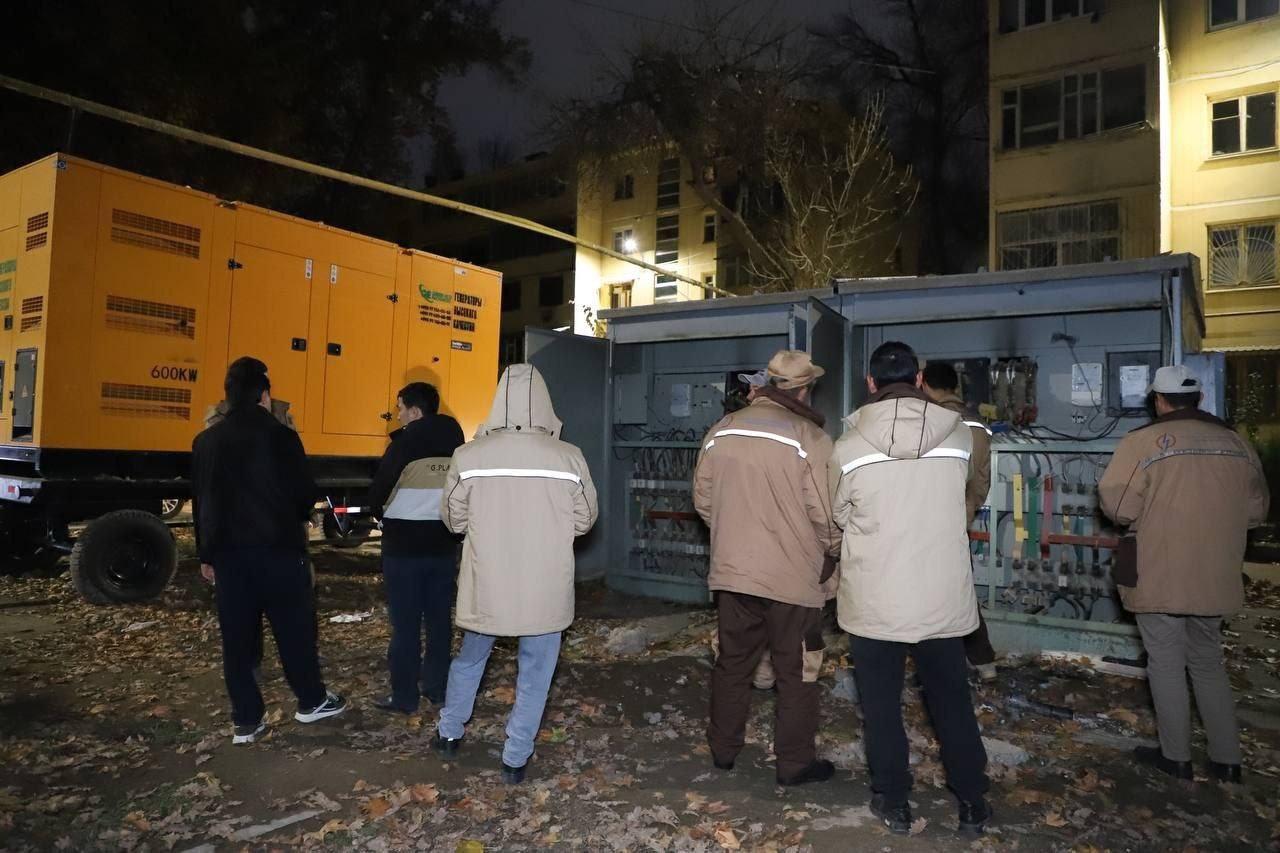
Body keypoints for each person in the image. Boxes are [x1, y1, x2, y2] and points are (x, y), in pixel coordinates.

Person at [830, 341, 991, 836]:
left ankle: (894, 802)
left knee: (881, 707)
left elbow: (839, 516)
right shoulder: (959, 437)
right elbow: (965, 493)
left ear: (871, 385)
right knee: (951, 702)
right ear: (919, 380)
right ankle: (971, 803)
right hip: (941, 596)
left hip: (876, 597)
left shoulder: (848, 448)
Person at [1098, 364, 1269, 783]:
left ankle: (1176, 757)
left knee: (1166, 662)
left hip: (1159, 570)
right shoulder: (1237, 445)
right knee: (1208, 662)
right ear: (1200, 399)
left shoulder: (1143, 442)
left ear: (1158, 400)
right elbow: (1256, 511)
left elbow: (1119, 508)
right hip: (1215, 572)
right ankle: (1227, 760)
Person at [433, 365, 597, 784]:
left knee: (470, 659)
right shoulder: (568, 457)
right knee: (536, 672)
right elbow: (585, 520)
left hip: (489, 581)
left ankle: (449, 732)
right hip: (545, 585)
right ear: (544, 402)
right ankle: (515, 758)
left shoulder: (469, 456)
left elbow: (453, 519)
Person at [694, 350, 841, 787]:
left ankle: (723, 752)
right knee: (797, 672)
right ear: (804, 388)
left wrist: (734, 536)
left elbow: (703, 499)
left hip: (734, 572)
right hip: (793, 580)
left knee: (732, 664)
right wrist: (831, 554)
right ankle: (794, 765)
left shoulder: (723, 429)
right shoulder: (810, 438)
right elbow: (827, 514)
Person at [192, 357, 346, 744]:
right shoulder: (280, 436)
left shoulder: (206, 442)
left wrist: (206, 554)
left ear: (227, 398)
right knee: (293, 631)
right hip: (278, 549)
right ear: (264, 395)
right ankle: (310, 700)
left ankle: (246, 720)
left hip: (229, 556)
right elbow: (303, 492)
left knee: (237, 639)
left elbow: (203, 501)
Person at [366, 381, 465, 713]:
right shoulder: (456, 445)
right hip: (442, 546)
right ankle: (437, 689)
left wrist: (382, 515)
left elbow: (378, 494)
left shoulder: (403, 445)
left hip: (403, 550)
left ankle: (405, 696)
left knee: (406, 626)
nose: (397, 416)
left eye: (399, 408)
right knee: (438, 622)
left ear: (415, 411)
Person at [922, 361, 998, 682]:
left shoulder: (928, 422)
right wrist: (967, 510)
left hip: (924, 521)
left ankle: (941, 667)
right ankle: (983, 661)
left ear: (923, 385)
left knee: (927, 593)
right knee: (961, 591)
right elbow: (982, 480)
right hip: (957, 521)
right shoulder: (978, 425)